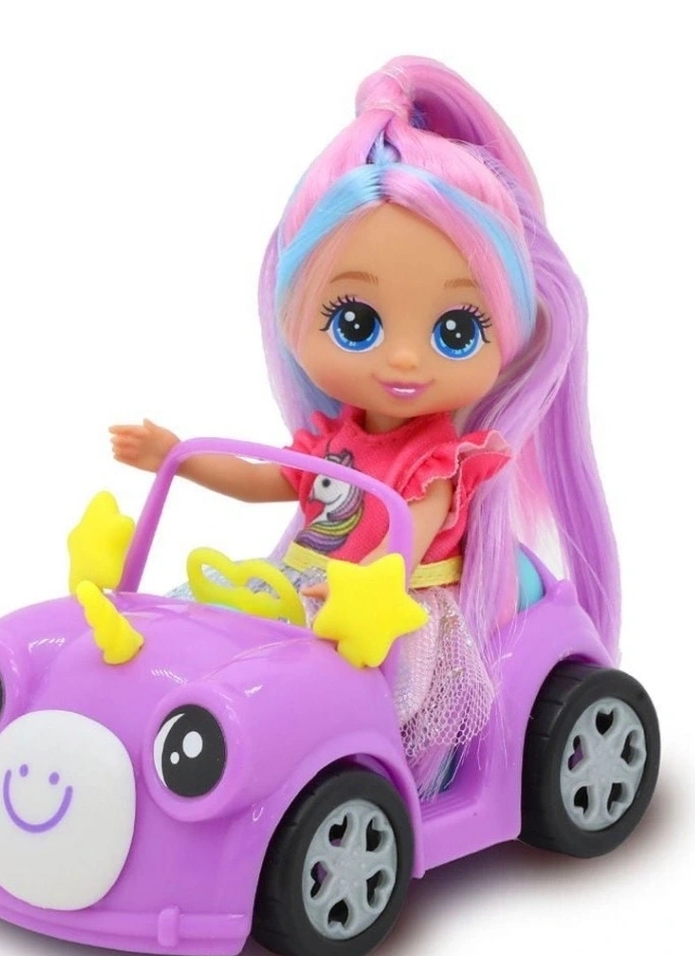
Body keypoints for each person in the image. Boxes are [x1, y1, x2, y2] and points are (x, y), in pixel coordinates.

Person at [110, 56, 619, 799]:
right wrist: (176, 457)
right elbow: (261, 481)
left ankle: (332, 771)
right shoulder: (334, 440)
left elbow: (414, 526)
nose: (405, 358)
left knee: (337, 683)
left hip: (393, 606)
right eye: (357, 322)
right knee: (208, 622)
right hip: (310, 591)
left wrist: (366, 576)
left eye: (455, 330)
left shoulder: (439, 458)